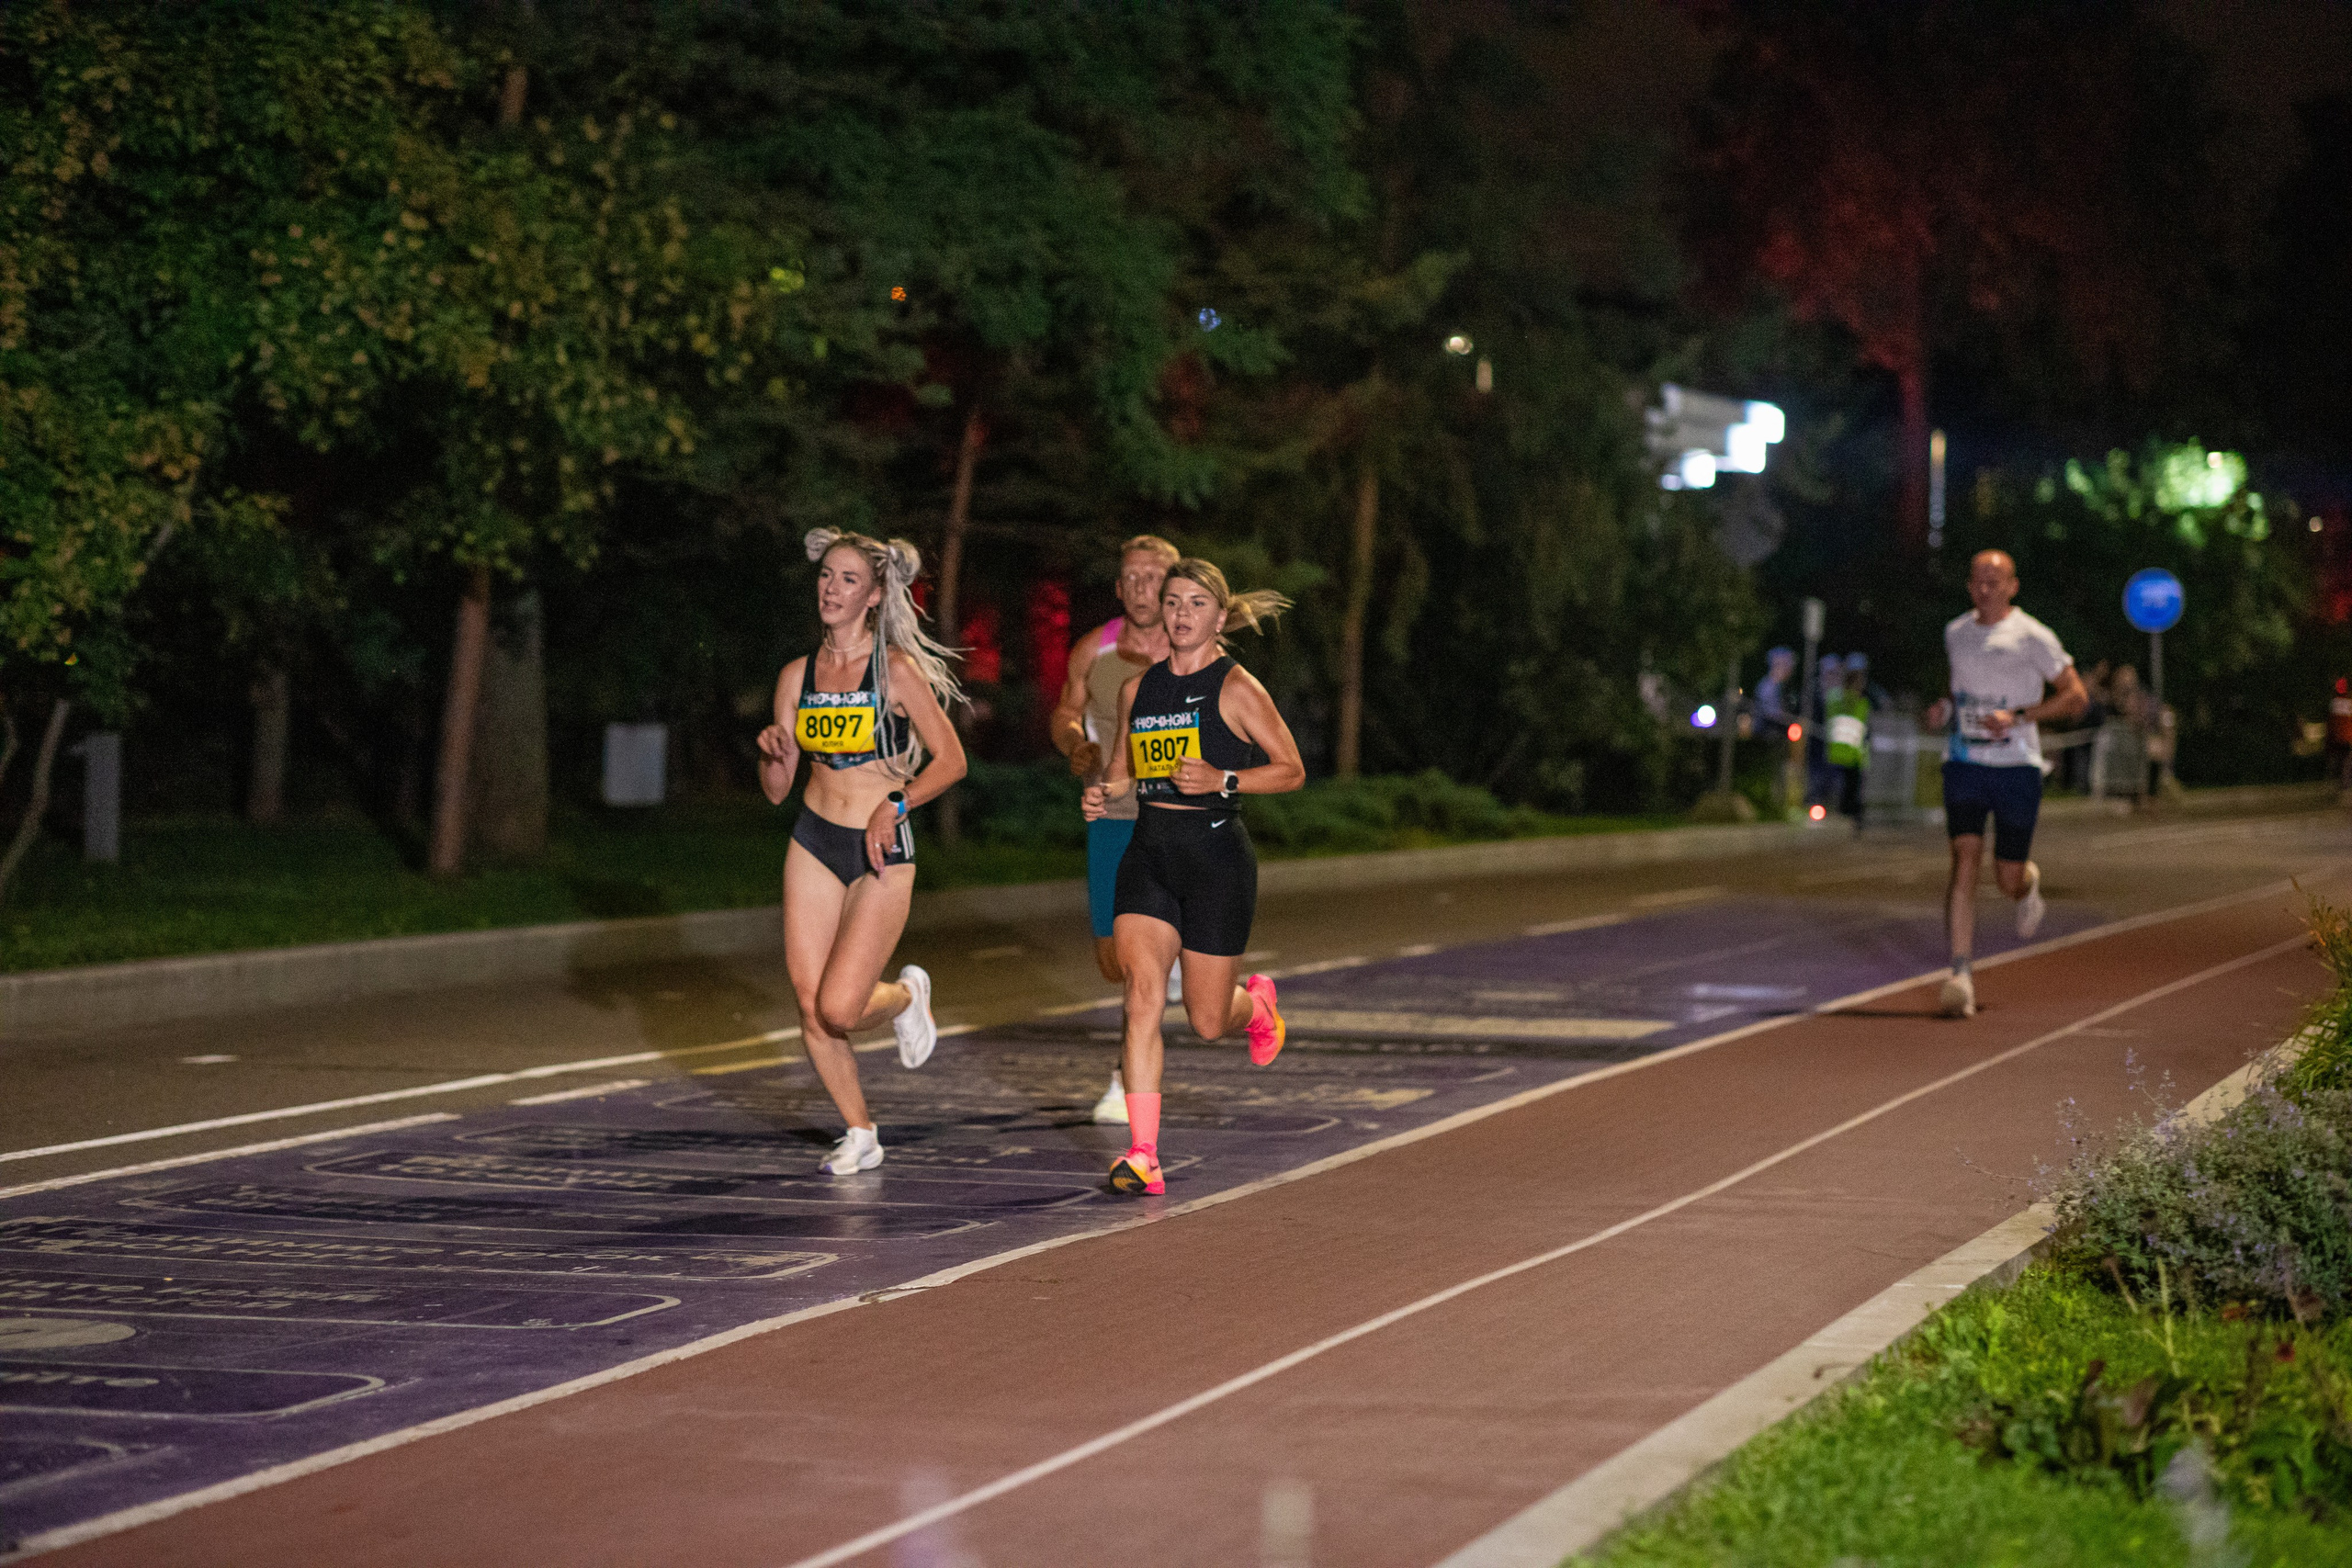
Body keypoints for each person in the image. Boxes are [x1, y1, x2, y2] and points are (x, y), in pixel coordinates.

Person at [1082, 558, 1306, 1196]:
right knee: (1141, 995)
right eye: (1173, 601)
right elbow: (1124, 769)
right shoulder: (1137, 689)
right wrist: (1104, 792)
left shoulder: (1238, 688)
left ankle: (1258, 1004)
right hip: (1148, 852)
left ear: (1218, 615)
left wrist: (1222, 778)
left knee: (1207, 1019)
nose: (1181, 613)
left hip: (1215, 857)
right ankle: (1144, 1153)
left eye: (1195, 604)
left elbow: (1291, 769)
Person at [755, 529, 967, 1173]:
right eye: (825, 576)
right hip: (815, 837)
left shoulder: (895, 670)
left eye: (848, 579)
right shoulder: (797, 675)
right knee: (807, 996)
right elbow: (776, 792)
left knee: (840, 1006)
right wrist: (772, 754)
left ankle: (905, 996)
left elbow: (952, 760)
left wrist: (896, 802)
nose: (831, 588)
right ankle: (860, 1131)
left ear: (874, 595)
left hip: (880, 843)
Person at [1046, 535, 1180, 1125]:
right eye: (1132, 576)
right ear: (1119, 586)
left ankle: (1127, 1080)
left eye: (1155, 576)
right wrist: (1076, 746)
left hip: (1180, 817)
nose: (1142, 586)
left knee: (1140, 965)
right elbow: (1065, 714)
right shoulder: (1093, 650)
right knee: (1111, 961)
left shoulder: (1198, 647)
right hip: (1113, 815)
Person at [1925, 549, 2087, 1018]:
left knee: (2007, 876)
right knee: (1964, 858)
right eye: (1978, 579)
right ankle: (1960, 973)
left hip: (2016, 766)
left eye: (1995, 580)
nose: (1985, 588)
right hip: (1964, 762)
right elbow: (1955, 693)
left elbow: (2075, 696)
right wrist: (1944, 711)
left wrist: (2018, 717)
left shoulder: (2033, 636)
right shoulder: (1956, 633)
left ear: (2013, 586)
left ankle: (2027, 885)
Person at [1825, 663, 1871, 831]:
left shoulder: (1835, 699)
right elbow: (1864, 730)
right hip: (1852, 756)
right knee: (1850, 793)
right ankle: (1849, 822)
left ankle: (1843, 821)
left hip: (1837, 754)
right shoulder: (1861, 702)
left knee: (1840, 793)